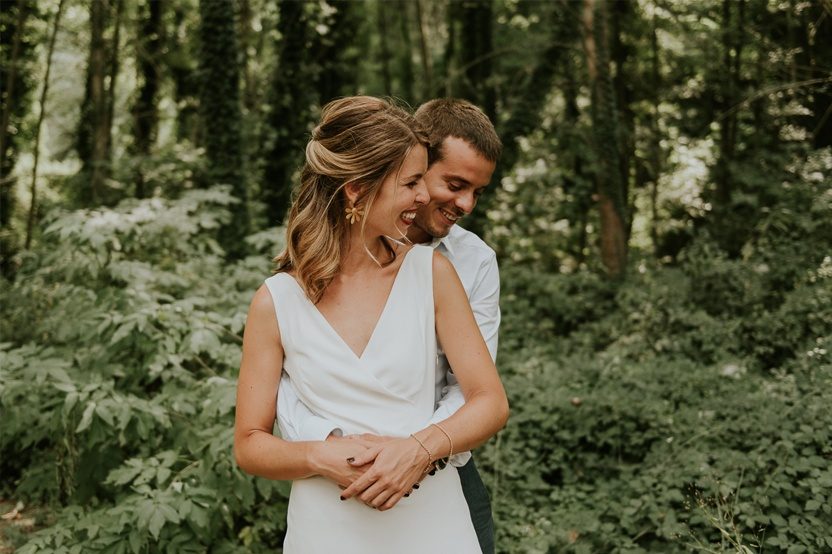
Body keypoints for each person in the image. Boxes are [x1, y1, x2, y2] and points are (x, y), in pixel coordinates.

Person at [234, 96, 509, 554]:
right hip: (327, 525)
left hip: (432, 514)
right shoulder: (275, 301)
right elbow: (249, 443)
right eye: (411, 183)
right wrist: (317, 455)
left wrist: (417, 450)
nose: (423, 197)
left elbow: (489, 400)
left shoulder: (435, 273)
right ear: (357, 190)